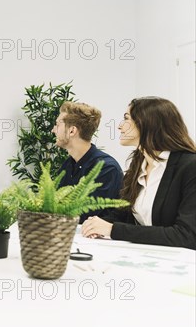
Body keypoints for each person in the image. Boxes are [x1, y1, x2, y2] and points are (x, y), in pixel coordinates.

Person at [81, 97, 196, 249]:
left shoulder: (189, 166)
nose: (120, 126)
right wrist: (96, 224)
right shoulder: (138, 165)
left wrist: (113, 230)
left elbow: (185, 236)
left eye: (126, 118)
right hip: (146, 256)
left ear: (147, 123)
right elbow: (124, 215)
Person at [52, 101, 124, 223]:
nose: (53, 130)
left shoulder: (106, 168)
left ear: (72, 131)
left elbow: (82, 214)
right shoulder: (67, 166)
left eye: (57, 125)